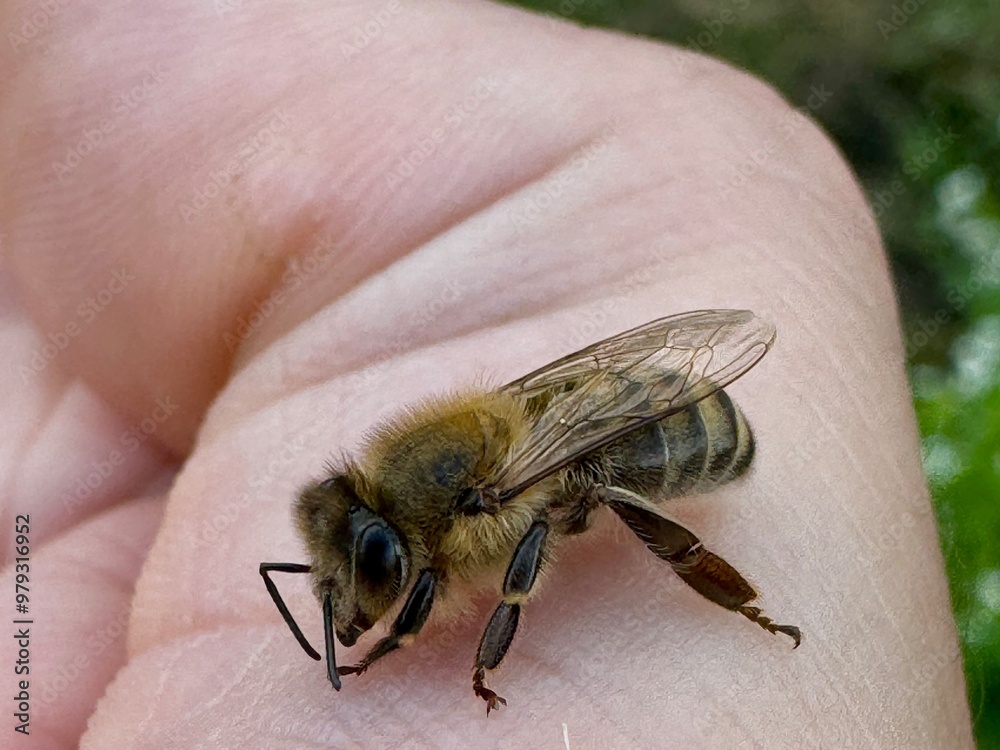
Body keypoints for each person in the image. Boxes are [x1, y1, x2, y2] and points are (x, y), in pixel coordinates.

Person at [0, 1, 973, 746]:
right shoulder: (424, 491)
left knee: (573, 516)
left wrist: (431, 651)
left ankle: (739, 601)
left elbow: (507, 575)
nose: (355, 596)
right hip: (605, 395)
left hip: (668, 427)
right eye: (358, 582)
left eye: (366, 579)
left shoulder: (468, 501)